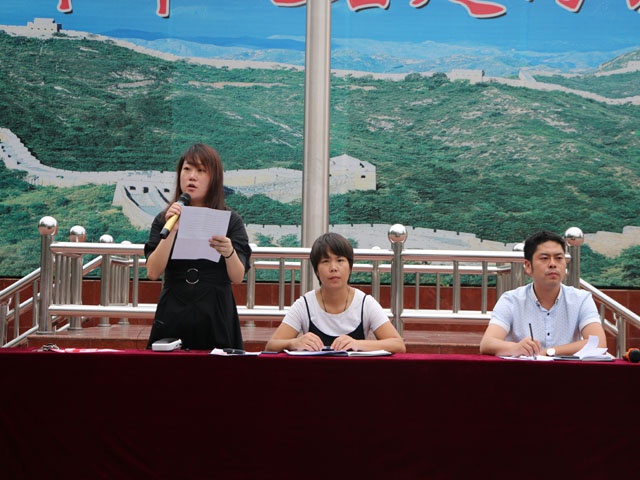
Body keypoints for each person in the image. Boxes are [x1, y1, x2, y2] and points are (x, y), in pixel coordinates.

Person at [144, 143, 251, 350]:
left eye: (201, 171)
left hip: (215, 309)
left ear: (214, 178)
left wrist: (229, 252)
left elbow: (238, 277)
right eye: (187, 169)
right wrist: (172, 230)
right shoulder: (165, 219)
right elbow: (153, 272)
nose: (192, 177)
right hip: (174, 306)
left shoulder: (231, 220)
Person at [265, 232, 406, 353]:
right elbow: (271, 345)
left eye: (340, 260)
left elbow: (398, 345)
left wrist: (358, 344)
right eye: (325, 261)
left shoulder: (365, 303)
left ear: (350, 268)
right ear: (316, 271)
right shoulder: (304, 304)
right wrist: (294, 343)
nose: (333, 268)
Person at [479, 230, 606, 357]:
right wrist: (516, 348)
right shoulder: (511, 300)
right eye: (544, 258)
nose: (552, 264)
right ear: (528, 266)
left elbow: (598, 343)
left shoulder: (581, 299)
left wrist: (550, 352)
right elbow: (487, 343)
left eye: (559, 258)